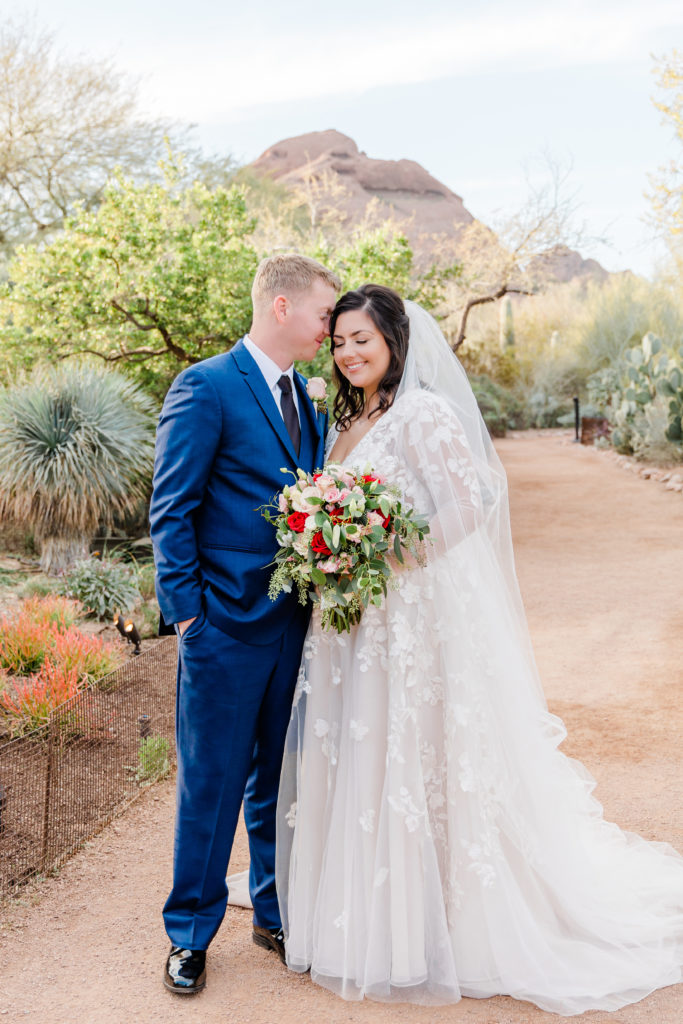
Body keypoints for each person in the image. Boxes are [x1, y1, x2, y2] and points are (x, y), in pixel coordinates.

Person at [276, 284, 683, 1014]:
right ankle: (367, 918)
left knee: (417, 755)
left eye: (361, 339)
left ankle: (441, 924)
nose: (347, 353)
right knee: (362, 757)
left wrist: (385, 554)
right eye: (338, 341)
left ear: (394, 341)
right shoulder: (345, 417)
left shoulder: (423, 414)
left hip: (407, 615)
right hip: (350, 624)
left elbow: (470, 503)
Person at [150, 254, 340, 994]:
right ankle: (189, 934)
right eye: (324, 314)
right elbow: (172, 509)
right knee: (212, 784)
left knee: (278, 783)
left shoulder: (307, 399)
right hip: (223, 625)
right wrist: (190, 615)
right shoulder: (205, 385)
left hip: (294, 623)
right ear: (284, 306)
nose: (330, 328)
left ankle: (271, 911)